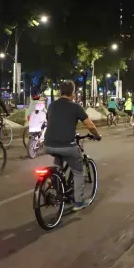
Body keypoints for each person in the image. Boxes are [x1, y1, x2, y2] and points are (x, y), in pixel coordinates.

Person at [43, 80, 102, 211]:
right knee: (78, 171)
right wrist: (97, 136)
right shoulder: (75, 107)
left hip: (48, 144)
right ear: (73, 93)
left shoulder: (52, 105)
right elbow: (90, 125)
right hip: (67, 146)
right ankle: (78, 203)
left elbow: (52, 120)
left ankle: (52, 179)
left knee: (58, 158)